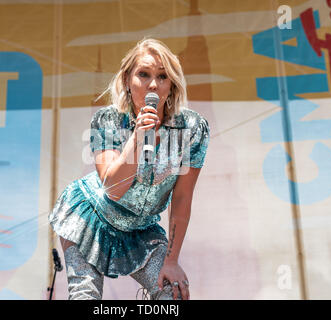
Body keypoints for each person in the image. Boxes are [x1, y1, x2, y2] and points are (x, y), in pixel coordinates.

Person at [48, 38, 210, 300]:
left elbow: (181, 199)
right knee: (85, 296)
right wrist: (137, 137)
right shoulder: (108, 119)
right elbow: (113, 190)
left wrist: (171, 260)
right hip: (90, 219)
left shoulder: (191, 128)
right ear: (127, 80)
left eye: (163, 76)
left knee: (173, 294)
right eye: (143, 74)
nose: (153, 84)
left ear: (171, 85)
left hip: (141, 229)